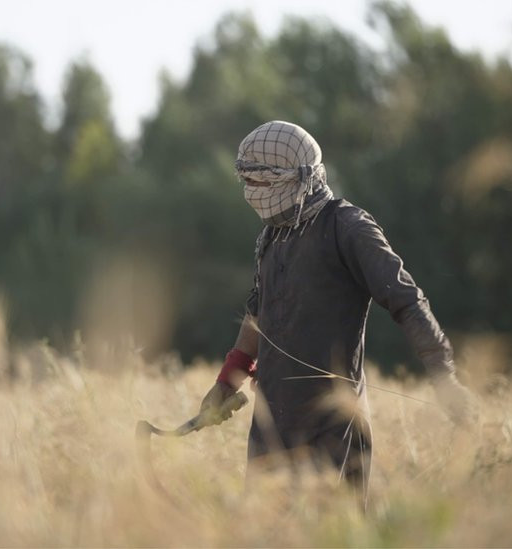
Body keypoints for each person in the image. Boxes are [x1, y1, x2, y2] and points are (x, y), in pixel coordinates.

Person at [198, 120, 476, 501]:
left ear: (295, 178)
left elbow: (407, 301)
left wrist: (444, 377)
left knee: (329, 527)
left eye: (259, 181)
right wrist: (225, 383)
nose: (251, 191)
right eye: (246, 181)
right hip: (271, 426)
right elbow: (258, 317)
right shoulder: (272, 236)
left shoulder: (348, 227)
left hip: (333, 429)